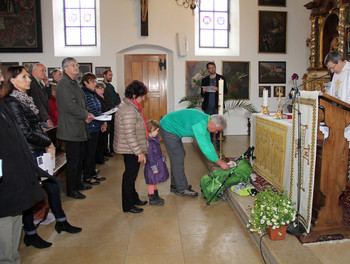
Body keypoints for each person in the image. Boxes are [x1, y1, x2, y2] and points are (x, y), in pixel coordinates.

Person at [4, 66, 82, 249]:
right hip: (28, 152)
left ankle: (61, 221)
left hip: (37, 148)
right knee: (32, 193)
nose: (29, 79)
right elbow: (25, 132)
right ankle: (31, 233)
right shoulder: (12, 102)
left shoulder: (24, 99)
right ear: (13, 81)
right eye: (24, 77)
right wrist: (48, 142)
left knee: (51, 186)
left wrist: (46, 141)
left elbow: (35, 127)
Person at [0, 70, 45, 263]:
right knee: (5, 230)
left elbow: (17, 137)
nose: (1, 79)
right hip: (5, 180)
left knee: (13, 225)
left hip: (15, 174)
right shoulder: (10, 102)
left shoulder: (3, 105)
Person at [159, 109, 230, 197]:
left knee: (179, 155)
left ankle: (175, 185)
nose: (216, 132)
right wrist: (220, 162)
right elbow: (204, 147)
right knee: (178, 155)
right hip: (168, 127)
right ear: (213, 123)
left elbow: (208, 143)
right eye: (217, 130)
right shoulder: (200, 123)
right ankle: (182, 189)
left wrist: (215, 154)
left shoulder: (205, 122)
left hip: (172, 128)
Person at [56, 57, 95, 199]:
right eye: (73, 65)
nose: (76, 67)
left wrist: (88, 112)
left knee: (79, 159)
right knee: (73, 162)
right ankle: (71, 189)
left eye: (76, 65)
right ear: (65, 68)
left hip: (79, 127)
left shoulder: (74, 83)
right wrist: (85, 114)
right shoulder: (63, 84)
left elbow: (81, 103)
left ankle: (78, 184)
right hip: (70, 129)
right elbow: (69, 105)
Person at [114, 80, 148, 213]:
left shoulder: (129, 105)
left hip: (129, 147)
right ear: (134, 95)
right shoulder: (129, 109)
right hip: (130, 148)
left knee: (132, 174)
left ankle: (134, 198)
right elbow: (129, 134)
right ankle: (128, 205)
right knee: (129, 175)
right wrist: (138, 152)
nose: (144, 98)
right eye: (142, 96)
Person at [81, 73, 107, 184]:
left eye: (95, 81)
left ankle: (92, 173)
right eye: (92, 81)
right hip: (90, 127)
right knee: (89, 153)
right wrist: (100, 119)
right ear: (85, 82)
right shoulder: (85, 94)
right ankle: (87, 176)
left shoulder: (92, 94)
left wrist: (103, 121)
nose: (94, 84)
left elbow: (98, 109)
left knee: (93, 152)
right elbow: (90, 110)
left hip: (96, 125)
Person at [201, 62, 228, 150]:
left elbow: (225, 91)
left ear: (215, 68)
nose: (212, 69)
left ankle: (218, 145)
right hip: (208, 106)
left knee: (218, 125)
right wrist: (204, 91)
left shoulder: (221, 78)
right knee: (209, 126)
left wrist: (218, 89)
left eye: (213, 67)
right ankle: (210, 145)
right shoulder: (204, 79)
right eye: (210, 68)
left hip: (217, 106)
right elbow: (202, 94)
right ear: (207, 69)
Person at [144, 120, 169, 206]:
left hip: (157, 163)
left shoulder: (154, 140)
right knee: (151, 182)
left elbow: (158, 152)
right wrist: (154, 168)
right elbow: (150, 157)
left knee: (154, 181)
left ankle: (155, 195)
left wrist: (162, 158)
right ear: (151, 130)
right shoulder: (149, 143)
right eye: (156, 131)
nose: (158, 133)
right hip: (152, 166)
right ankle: (151, 198)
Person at [28, 63, 54, 129]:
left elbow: (48, 97)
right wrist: (47, 118)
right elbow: (37, 102)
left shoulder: (40, 83)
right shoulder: (32, 83)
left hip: (42, 117)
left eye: (45, 71)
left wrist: (47, 85)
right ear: (34, 71)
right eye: (42, 70)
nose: (44, 73)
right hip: (37, 118)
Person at [103, 69, 121, 154]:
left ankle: (112, 148)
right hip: (107, 112)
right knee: (106, 132)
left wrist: (117, 105)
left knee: (113, 131)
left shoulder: (110, 86)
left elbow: (116, 96)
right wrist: (109, 108)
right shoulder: (103, 86)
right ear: (104, 75)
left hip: (114, 112)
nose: (111, 77)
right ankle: (105, 150)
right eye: (109, 75)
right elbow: (105, 100)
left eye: (111, 75)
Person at [95, 82, 112, 165]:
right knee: (100, 141)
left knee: (104, 140)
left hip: (105, 118)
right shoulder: (96, 97)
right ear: (96, 89)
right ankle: (99, 157)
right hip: (100, 120)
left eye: (103, 88)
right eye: (101, 88)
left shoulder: (102, 97)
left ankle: (102, 155)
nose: (102, 90)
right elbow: (99, 109)